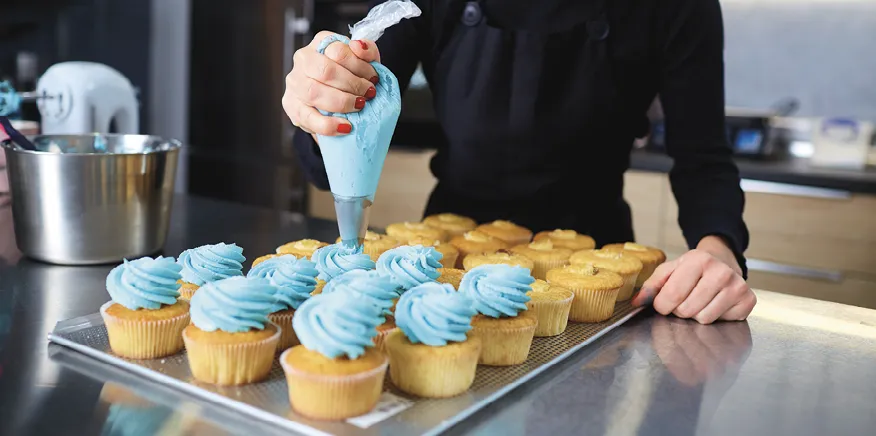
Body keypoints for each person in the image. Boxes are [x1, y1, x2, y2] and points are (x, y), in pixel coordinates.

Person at [282, 0, 756, 324]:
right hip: (444, 265)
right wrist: (324, 98)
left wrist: (719, 249)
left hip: (596, 277)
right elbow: (330, 149)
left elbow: (703, 157)